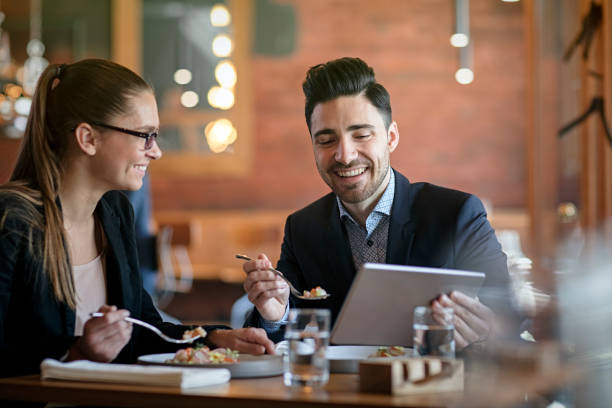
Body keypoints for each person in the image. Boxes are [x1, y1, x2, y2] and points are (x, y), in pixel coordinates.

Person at [0, 59, 274, 378]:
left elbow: (142, 330)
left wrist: (214, 338)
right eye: (144, 135)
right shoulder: (11, 220)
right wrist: (76, 354)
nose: (155, 151)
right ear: (87, 138)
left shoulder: (114, 213)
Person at [242, 57, 516, 346]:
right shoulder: (302, 229)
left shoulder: (457, 214)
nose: (345, 155)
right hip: (341, 391)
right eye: (326, 141)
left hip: (438, 387)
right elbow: (284, 339)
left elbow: (510, 319)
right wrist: (276, 313)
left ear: (391, 137)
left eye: (361, 135)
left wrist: (485, 332)